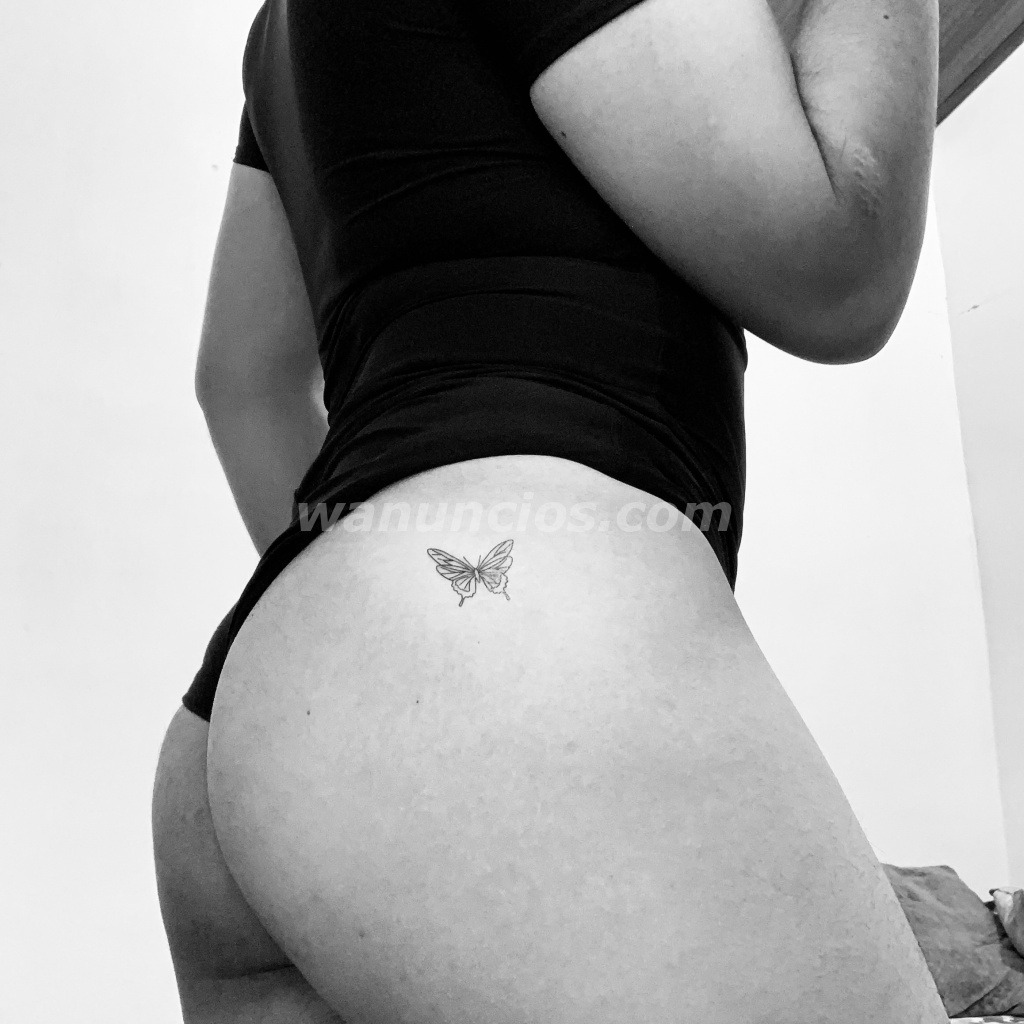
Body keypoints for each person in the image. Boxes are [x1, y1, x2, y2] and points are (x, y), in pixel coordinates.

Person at [151, 0, 948, 1021]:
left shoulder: (281, 29)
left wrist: (369, 646)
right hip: (492, 663)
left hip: (239, 738)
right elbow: (838, 269)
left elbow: (239, 384)